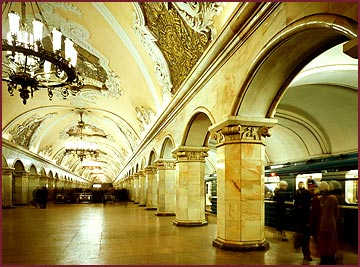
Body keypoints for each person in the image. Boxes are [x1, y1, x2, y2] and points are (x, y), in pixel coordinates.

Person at [318, 181, 339, 265]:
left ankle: (326, 260)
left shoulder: (324, 199)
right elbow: (336, 213)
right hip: (330, 224)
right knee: (330, 244)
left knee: (325, 245)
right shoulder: (333, 198)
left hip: (324, 225)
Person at [293, 181, 312, 261]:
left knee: (304, 235)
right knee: (305, 236)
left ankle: (304, 251)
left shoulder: (303, 192)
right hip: (303, 218)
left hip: (302, 217)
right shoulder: (303, 193)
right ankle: (306, 253)